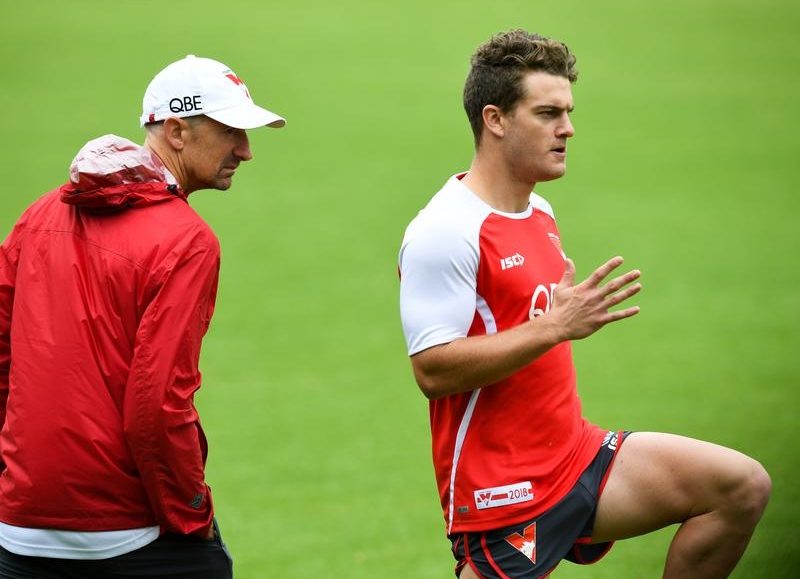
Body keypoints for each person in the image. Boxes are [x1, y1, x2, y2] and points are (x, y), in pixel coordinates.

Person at [398, 30, 770, 579]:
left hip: (574, 456)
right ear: (495, 119)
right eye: (548, 113)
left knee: (739, 487)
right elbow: (432, 370)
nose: (567, 128)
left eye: (568, 112)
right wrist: (554, 327)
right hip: (504, 494)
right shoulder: (445, 231)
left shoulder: (539, 211)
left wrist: (553, 323)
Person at [0, 55, 285, 578]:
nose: (245, 150)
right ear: (176, 131)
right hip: (124, 528)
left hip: (19, 527)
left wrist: (18, 474)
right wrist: (191, 511)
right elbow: (157, 405)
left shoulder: (37, 216)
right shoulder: (187, 240)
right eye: (230, 132)